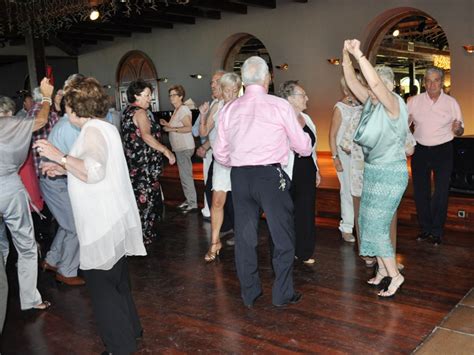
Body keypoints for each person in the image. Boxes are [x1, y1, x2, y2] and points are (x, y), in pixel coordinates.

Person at [34, 76, 146, 354]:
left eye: (67, 105)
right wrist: (63, 169)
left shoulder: (93, 131)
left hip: (100, 223)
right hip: (112, 218)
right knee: (118, 282)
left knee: (103, 290)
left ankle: (120, 347)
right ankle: (132, 330)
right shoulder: (104, 127)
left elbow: (94, 171)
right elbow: (96, 167)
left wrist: (59, 157)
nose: (64, 110)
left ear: (76, 107)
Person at [213, 56, 312, 307]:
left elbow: (220, 153)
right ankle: (282, 293)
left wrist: (235, 160)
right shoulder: (279, 105)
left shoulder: (229, 109)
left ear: (244, 80)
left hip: (240, 176)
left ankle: (250, 293)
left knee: (245, 238)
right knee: (282, 236)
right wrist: (305, 146)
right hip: (269, 176)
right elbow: (302, 145)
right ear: (267, 78)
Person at [343, 39, 409, 298]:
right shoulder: (372, 103)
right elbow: (351, 80)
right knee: (367, 222)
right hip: (373, 171)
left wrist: (359, 54)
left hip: (391, 173)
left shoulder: (393, 104)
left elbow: (374, 85)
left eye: (374, 88)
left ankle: (395, 275)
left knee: (378, 225)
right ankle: (382, 269)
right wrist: (345, 53)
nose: (370, 92)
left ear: (387, 86)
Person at [0, 78, 52, 311]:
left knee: (1, 245)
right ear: (8, 112)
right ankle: (30, 299)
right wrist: (47, 97)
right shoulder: (12, 123)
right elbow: (41, 120)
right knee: (26, 245)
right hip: (9, 188)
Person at [408, 67, 464, 245]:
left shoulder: (451, 102)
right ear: (424, 82)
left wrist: (458, 130)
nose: (432, 84)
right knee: (420, 191)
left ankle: (437, 231)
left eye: (436, 80)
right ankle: (425, 229)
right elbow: (403, 126)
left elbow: (460, 130)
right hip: (420, 150)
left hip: (443, 150)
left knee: (440, 192)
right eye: (429, 81)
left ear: (442, 82)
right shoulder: (414, 101)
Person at [39, 75, 84, 286]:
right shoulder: (70, 127)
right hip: (55, 181)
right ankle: (67, 270)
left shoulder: (68, 124)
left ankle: (52, 259)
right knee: (75, 226)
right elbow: (76, 161)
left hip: (55, 181)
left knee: (68, 224)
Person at [122, 79, 176, 245]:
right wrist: (166, 150)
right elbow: (146, 136)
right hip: (144, 167)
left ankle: (139, 235)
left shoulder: (127, 111)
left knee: (139, 200)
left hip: (135, 166)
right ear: (136, 96)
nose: (149, 99)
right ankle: (143, 237)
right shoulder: (140, 113)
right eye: (146, 95)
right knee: (146, 201)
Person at [199, 72, 240, 262]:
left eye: (234, 89)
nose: (230, 93)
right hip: (222, 161)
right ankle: (215, 242)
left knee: (240, 201)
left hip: (241, 161)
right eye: (227, 89)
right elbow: (205, 131)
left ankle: (242, 236)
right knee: (216, 200)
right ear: (222, 90)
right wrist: (203, 115)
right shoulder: (219, 107)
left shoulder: (243, 106)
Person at [280, 81, 320, 265]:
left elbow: (313, 148)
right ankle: (286, 251)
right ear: (290, 98)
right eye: (303, 95)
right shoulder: (280, 119)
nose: (307, 98)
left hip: (307, 171)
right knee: (286, 213)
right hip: (288, 170)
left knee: (306, 212)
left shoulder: (307, 119)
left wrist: (317, 170)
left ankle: (304, 251)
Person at [193, 70, 226, 220]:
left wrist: (206, 145)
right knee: (211, 188)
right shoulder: (215, 103)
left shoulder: (228, 104)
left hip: (225, 154)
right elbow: (203, 131)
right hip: (214, 151)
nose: (212, 85)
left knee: (219, 190)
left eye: (216, 81)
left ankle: (225, 222)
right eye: (211, 82)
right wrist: (203, 115)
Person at [160, 85, 197, 213]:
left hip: (184, 147)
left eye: (174, 95)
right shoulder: (177, 110)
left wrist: (171, 129)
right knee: (184, 176)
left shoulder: (183, 109)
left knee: (186, 176)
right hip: (180, 148)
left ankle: (192, 203)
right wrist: (168, 124)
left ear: (181, 96)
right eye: (170, 95)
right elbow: (176, 126)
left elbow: (188, 127)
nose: (171, 97)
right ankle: (189, 200)